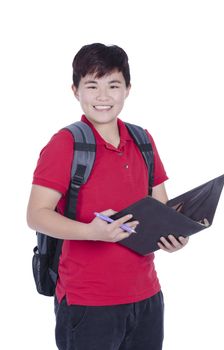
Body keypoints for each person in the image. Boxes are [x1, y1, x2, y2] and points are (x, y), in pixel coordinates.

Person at [27, 43, 189, 350]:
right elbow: (36, 214)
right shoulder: (65, 144)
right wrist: (91, 232)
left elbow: (160, 208)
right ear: (75, 90)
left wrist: (175, 236)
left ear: (128, 88)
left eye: (113, 85)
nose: (103, 97)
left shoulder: (142, 139)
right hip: (88, 304)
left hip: (148, 299)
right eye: (92, 85)